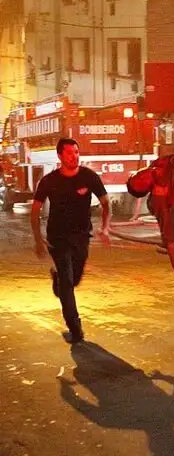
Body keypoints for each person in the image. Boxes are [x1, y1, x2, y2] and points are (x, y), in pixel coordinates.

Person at [31, 138, 111, 343]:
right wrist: (39, 240)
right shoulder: (49, 181)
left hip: (82, 237)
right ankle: (75, 326)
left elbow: (105, 203)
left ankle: (58, 281)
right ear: (59, 156)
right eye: (69, 153)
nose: (74, 156)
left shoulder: (89, 177)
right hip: (57, 239)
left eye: (76, 152)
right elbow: (35, 210)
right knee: (67, 281)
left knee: (73, 280)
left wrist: (105, 227)